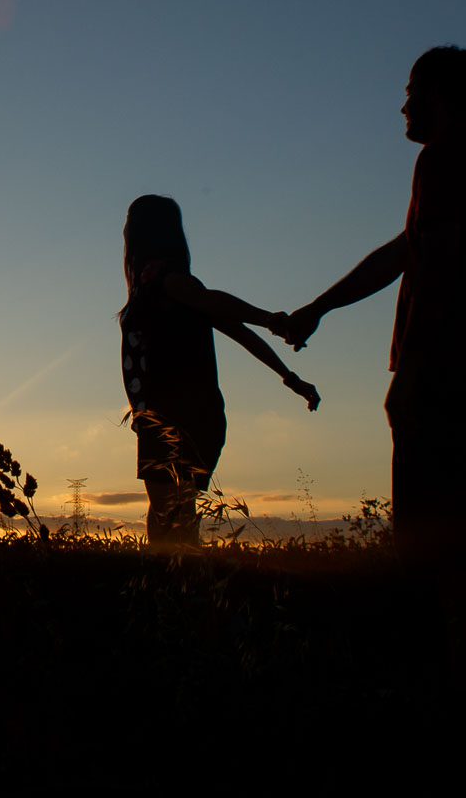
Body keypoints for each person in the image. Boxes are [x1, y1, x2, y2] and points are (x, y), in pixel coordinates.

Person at [279, 46, 466, 621]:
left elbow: (439, 271)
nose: (403, 106)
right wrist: (319, 307)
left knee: (430, 538)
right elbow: (404, 251)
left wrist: (413, 378)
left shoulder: (448, 158)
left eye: (412, 91)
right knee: (455, 523)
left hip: (450, 371)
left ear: (440, 97)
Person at [119, 194, 319, 546]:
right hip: (166, 412)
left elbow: (216, 305)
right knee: (171, 512)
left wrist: (271, 321)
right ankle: (172, 584)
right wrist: (291, 378)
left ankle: (172, 585)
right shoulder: (149, 288)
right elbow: (238, 330)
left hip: (182, 412)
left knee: (172, 511)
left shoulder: (171, 281)